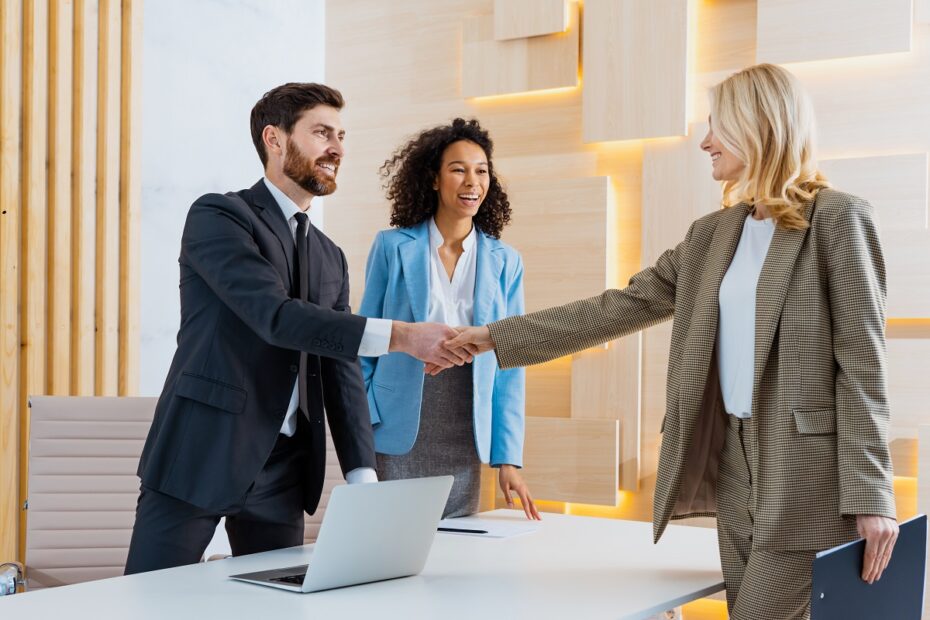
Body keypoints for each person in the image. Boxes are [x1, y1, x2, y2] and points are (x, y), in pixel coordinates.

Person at [446, 64, 898, 619]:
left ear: (760, 126)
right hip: (732, 466)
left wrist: (872, 497)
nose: (706, 141)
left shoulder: (838, 219)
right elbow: (620, 307)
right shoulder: (712, 234)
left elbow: (863, 368)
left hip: (807, 476)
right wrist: (493, 336)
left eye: (718, 126)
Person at [125, 83, 473, 574]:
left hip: (284, 471)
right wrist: (402, 336)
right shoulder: (220, 216)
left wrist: (363, 477)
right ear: (275, 138)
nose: (338, 148)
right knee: (146, 602)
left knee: (276, 610)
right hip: (200, 454)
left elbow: (340, 366)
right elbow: (275, 317)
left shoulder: (329, 255)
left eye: (342, 136)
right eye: (322, 133)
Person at [358, 119, 540, 520]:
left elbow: (511, 364)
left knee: (456, 551)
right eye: (458, 169)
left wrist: (508, 458)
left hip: (465, 422)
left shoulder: (505, 261)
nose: (471, 181)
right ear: (435, 179)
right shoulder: (391, 246)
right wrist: (368, 414)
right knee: (390, 542)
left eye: (481, 170)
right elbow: (366, 337)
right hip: (396, 422)